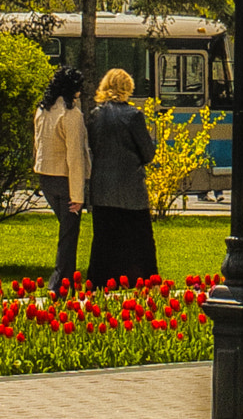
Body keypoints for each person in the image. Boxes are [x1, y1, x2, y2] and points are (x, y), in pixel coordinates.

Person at [86, 69, 157, 290]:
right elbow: (148, 153)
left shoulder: (95, 115)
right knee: (140, 240)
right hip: (131, 192)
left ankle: (100, 283)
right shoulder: (133, 116)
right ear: (127, 88)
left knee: (104, 241)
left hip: (102, 190)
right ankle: (143, 281)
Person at [33, 67, 88, 291]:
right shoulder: (71, 115)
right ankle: (59, 284)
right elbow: (75, 156)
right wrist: (78, 195)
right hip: (66, 179)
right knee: (68, 234)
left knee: (66, 229)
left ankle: (66, 283)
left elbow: (38, 144)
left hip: (46, 176)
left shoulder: (42, 110)